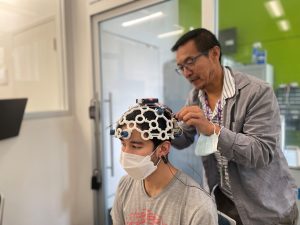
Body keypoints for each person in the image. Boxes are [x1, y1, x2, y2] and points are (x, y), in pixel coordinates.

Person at [171, 28, 298, 225]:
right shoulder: (195, 97)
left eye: (190, 61)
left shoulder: (256, 92)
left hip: (265, 206)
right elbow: (184, 138)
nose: (186, 72)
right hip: (223, 200)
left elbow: (261, 152)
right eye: (180, 67)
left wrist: (212, 129)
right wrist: (160, 126)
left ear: (214, 53)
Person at [110, 98, 218, 225]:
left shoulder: (197, 205)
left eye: (136, 146)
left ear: (163, 149)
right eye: (123, 144)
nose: (126, 153)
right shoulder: (125, 185)